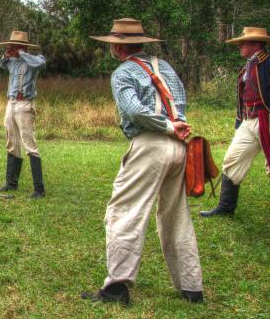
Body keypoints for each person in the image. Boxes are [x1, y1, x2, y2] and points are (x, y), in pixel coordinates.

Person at [83, 18, 203, 306]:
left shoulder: (123, 73)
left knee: (125, 210)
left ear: (118, 47)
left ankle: (116, 289)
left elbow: (133, 110)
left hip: (152, 144)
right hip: (178, 147)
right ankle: (192, 288)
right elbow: (181, 104)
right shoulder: (167, 68)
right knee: (176, 215)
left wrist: (165, 127)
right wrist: (177, 127)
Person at [201, 27, 270, 217]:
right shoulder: (248, 66)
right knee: (232, 160)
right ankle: (225, 208)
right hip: (249, 121)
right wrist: (240, 121)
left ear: (256, 44)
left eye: (243, 42)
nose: (239, 46)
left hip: (267, 120)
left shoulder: (267, 63)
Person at [0, 30, 47, 198]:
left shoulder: (34, 59)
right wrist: (7, 54)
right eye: (12, 46)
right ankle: (11, 183)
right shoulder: (12, 62)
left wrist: (22, 53)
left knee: (29, 144)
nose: (13, 48)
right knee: (11, 142)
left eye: (15, 45)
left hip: (25, 104)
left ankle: (39, 189)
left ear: (23, 46)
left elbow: (39, 65)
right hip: (11, 103)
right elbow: (2, 64)